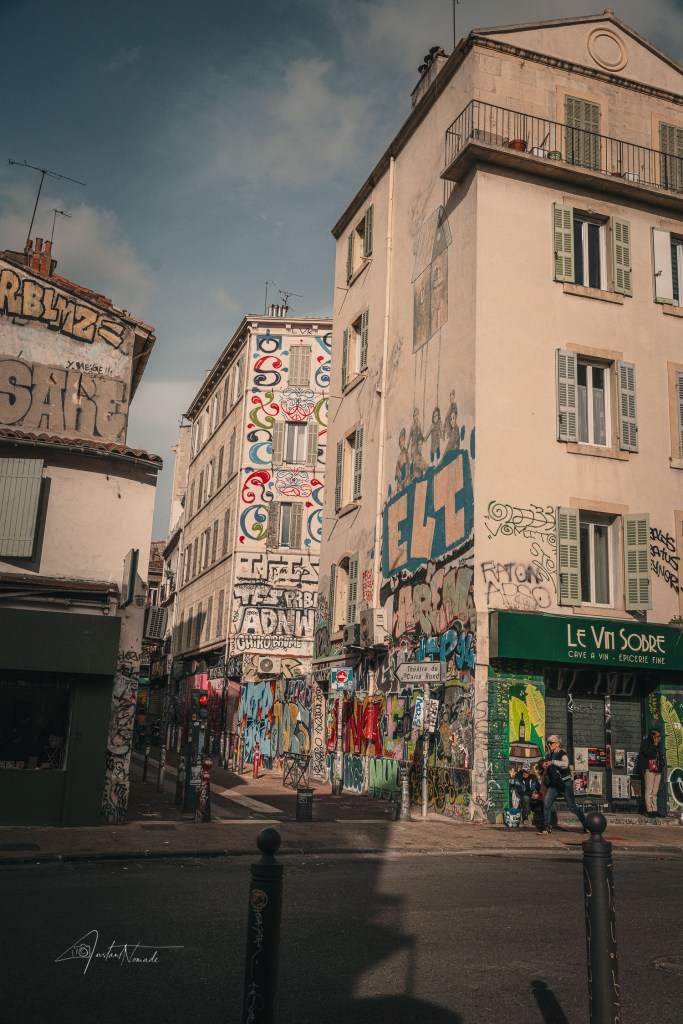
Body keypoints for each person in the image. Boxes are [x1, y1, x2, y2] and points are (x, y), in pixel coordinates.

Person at [537, 735, 588, 836]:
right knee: (546, 804)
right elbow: (545, 763)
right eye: (549, 743)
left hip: (565, 783)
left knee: (572, 807)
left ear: (558, 744)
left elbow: (565, 764)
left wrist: (553, 762)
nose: (549, 745)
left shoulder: (562, 754)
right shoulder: (550, 755)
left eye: (551, 743)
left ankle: (587, 826)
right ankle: (546, 828)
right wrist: (545, 764)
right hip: (554, 784)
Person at [637, 728, 665, 817]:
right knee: (649, 790)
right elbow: (646, 753)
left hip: (657, 769)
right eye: (657, 736)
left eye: (659, 736)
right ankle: (649, 810)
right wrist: (654, 744)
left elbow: (659, 755)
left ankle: (655, 809)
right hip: (649, 769)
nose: (659, 738)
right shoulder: (646, 742)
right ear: (652, 736)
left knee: (655, 791)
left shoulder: (658, 744)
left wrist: (662, 763)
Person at [511, 761, 541, 826]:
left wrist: (538, 794)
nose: (525, 773)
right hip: (521, 797)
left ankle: (540, 819)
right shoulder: (518, 777)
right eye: (524, 771)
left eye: (526, 772)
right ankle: (525, 818)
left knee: (541, 799)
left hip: (532, 796)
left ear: (530, 772)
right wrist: (531, 794)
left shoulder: (533, 777)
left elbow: (538, 787)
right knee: (525, 797)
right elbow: (520, 791)